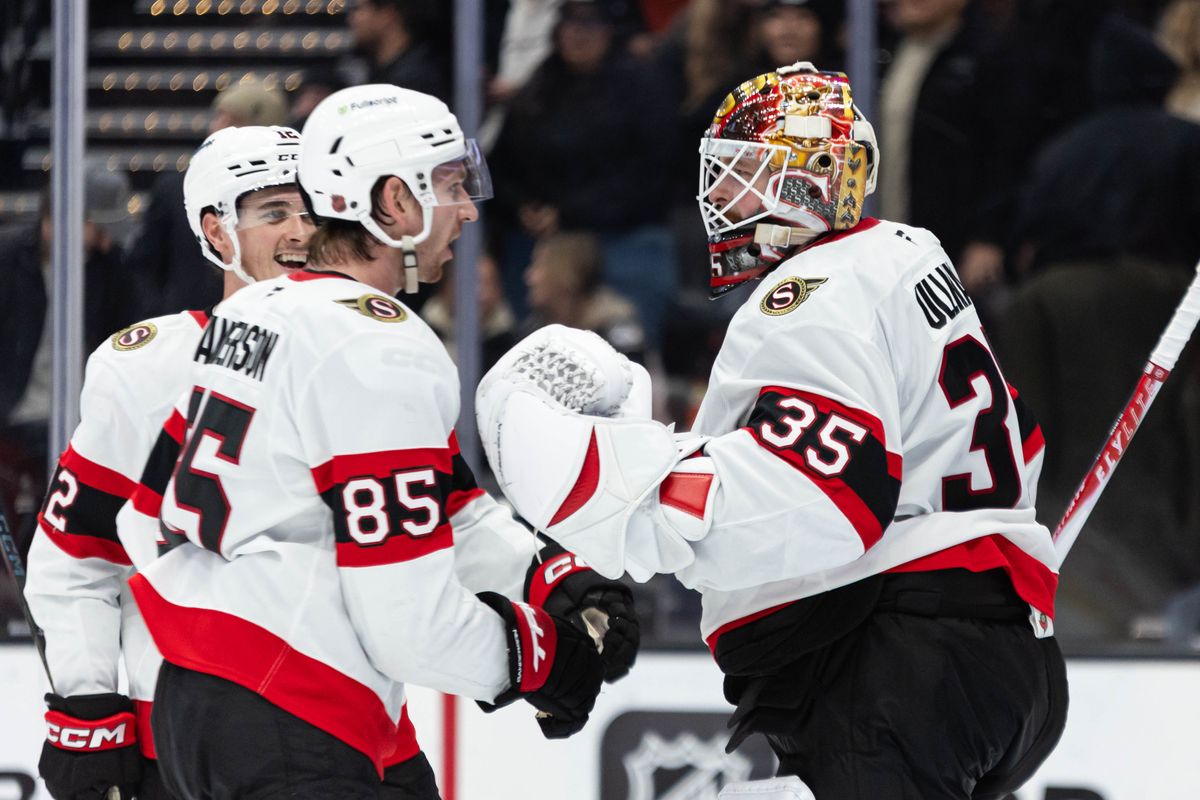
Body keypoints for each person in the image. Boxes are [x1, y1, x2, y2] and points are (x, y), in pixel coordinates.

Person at [477, 63, 1067, 800]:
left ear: (812, 180)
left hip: (895, 664)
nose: (719, 198)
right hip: (1004, 659)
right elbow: (1023, 436)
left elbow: (829, 490)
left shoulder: (813, 291)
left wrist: (639, 497)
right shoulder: (909, 255)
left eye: (742, 174)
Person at [122, 84, 635, 800]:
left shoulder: (253, 314)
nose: (466, 208)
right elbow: (407, 620)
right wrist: (543, 659)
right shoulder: (376, 344)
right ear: (394, 203)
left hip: (195, 703)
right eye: (450, 184)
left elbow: (143, 512)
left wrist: (551, 578)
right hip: (292, 710)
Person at [22, 125, 315, 800]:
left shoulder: (380, 358)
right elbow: (77, 557)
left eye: (315, 210)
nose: (302, 232)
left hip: (350, 735)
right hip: (186, 752)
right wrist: (89, 705)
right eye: (275, 212)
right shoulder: (149, 369)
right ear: (217, 233)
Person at [125, 81, 290, 320]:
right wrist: (161, 316)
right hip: (189, 326)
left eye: (233, 122)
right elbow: (144, 264)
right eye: (219, 117)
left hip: (264, 324)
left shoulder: (290, 199)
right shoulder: (175, 189)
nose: (217, 128)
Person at [519, 230, 646, 363]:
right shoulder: (532, 333)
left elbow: (633, 380)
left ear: (565, 271)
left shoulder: (616, 326)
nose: (529, 277)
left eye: (538, 266)